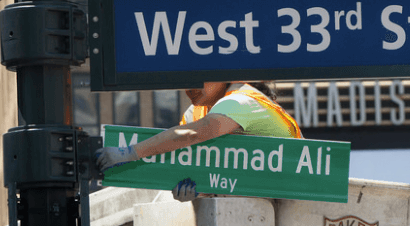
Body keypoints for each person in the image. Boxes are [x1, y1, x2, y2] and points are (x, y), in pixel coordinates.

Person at [95, 80, 302, 200]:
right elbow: (189, 163)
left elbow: (194, 133)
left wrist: (128, 153)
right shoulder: (198, 111)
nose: (189, 88)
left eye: (198, 77)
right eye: (184, 81)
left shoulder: (241, 101)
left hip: (294, 208)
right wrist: (197, 194)